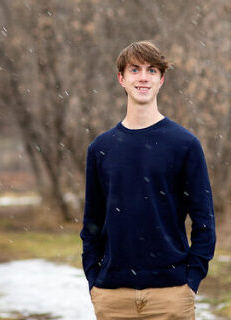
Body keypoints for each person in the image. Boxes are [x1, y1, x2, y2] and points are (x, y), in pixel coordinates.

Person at [81, 41, 216, 320]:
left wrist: (191, 282)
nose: (143, 77)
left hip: (171, 296)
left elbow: (204, 222)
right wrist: (94, 280)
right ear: (121, 78)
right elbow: (91, 223)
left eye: (152, 70)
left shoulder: (184, 144)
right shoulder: (101, 149)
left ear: (161, 79)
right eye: (135, 69)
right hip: (112, 298)